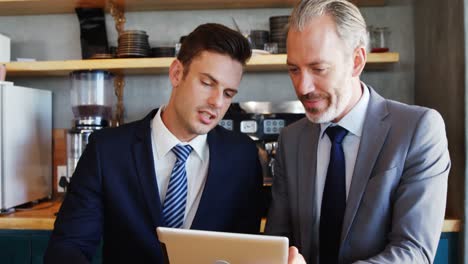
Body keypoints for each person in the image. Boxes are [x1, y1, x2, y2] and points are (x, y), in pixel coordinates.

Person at [44, 23, 263, 264]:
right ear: (177, 73)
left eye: (228, 93)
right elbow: (68, 247)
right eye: (207, 83)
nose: (217, 102)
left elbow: (247, 251)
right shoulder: (106, 151)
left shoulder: (242, 156)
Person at [265, 0, 451, 263]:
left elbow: (414, 252)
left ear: (356, 61)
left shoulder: (417, 129)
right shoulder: (291, 139)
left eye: (318, 69)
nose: (303, 86)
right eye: (294, 69)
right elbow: (279, 241)